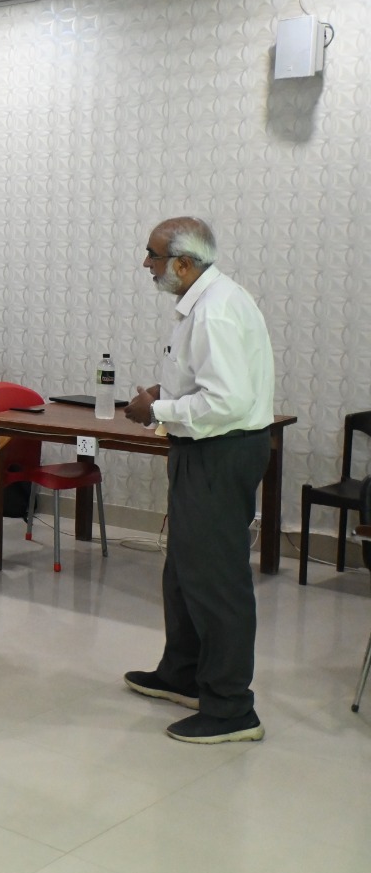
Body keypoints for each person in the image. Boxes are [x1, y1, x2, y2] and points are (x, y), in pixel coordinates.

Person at [122, 217, 274, 745]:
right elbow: (206, 381)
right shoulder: (205, 302)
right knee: (184, 570)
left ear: (183, 264)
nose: (146, 264)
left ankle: (231, 707)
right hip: (205, 448)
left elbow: (226, 402)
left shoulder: (215, 311)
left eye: (153, 255)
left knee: (215, 579)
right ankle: (183, 674)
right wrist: (164, 392)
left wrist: (156, 409)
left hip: (219, 451)